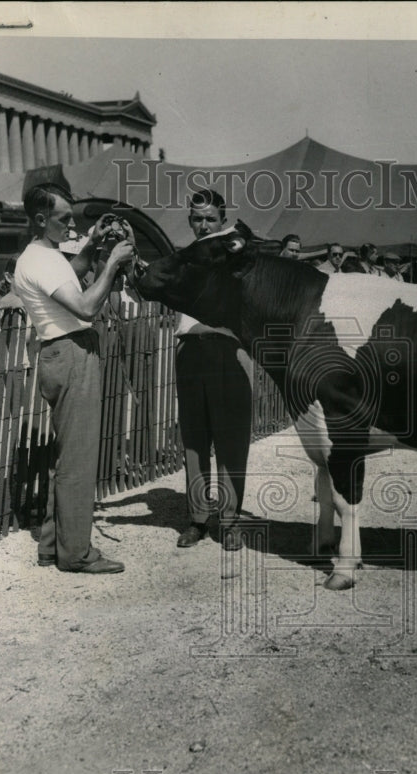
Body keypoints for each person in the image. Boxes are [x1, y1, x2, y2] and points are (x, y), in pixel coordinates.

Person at [13, 183, 136, 574]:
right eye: (64, 218)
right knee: (79, 460)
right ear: (40, 219)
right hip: (72, 351)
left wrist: (91, 247)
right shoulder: (42, 260)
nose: (71, 224)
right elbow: (84, 306)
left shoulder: (41, 255)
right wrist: (114, 260)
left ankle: (52, 545)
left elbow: (69, 279)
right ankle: (76, 554)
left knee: (67, 456)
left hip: (57, 352)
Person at [174, 189, 253, 552]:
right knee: (194, 440)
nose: (203, 225)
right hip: (190, 355)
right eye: (197, 218)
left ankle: (231, 520)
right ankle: (197, 519)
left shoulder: (236, 257)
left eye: (210, 219)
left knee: (231, 441)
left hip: (228, 355)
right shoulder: (184, 258)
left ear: (223, 220)